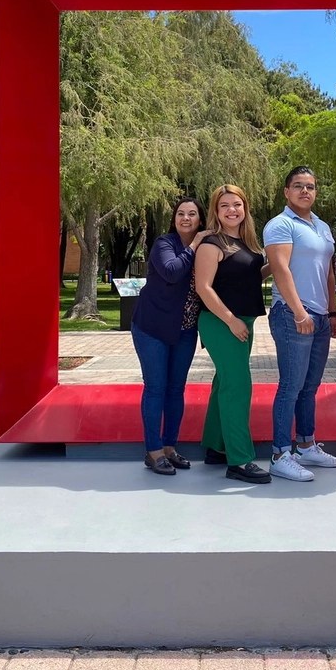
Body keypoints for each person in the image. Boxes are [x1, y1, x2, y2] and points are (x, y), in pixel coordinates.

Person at [263, 166, 336, 482]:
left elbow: (328, 271)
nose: (305, 191)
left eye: (310, 186)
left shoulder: (322, 227)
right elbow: (280, 269)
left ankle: (306, 446)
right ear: (287, 192)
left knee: (310, 386)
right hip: (292, 314)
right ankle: (280, 454)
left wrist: (333, 313)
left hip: (320, 317)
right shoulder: (280, 225)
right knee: (291, 385)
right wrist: (299, 312)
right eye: (298, 186)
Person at [194, 184, 273, 485]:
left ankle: (216, 447)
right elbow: (204, 288)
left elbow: (248, 278)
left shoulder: (246, 243)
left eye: (237, 204)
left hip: (242, 321)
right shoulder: (212, 244)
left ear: (245, 208)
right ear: (216, 211)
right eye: (224, 205)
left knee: (224, 382)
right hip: (221, 322)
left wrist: (275, 266)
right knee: (238, 386)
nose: (232, 210)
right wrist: (230, 320)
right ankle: (239, 460)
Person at [131, 198, 213, 475]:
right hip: (152, 327)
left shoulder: (208, 247)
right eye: (181, 213)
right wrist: (195, 243)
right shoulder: (164, 244)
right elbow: (172, 272)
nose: (186, 218)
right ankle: (153, 451)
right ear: (174, 218)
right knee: (156, 388)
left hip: (185, 329)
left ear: (201, 219)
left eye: (192, 214)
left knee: (176, 390)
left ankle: (169, 447)